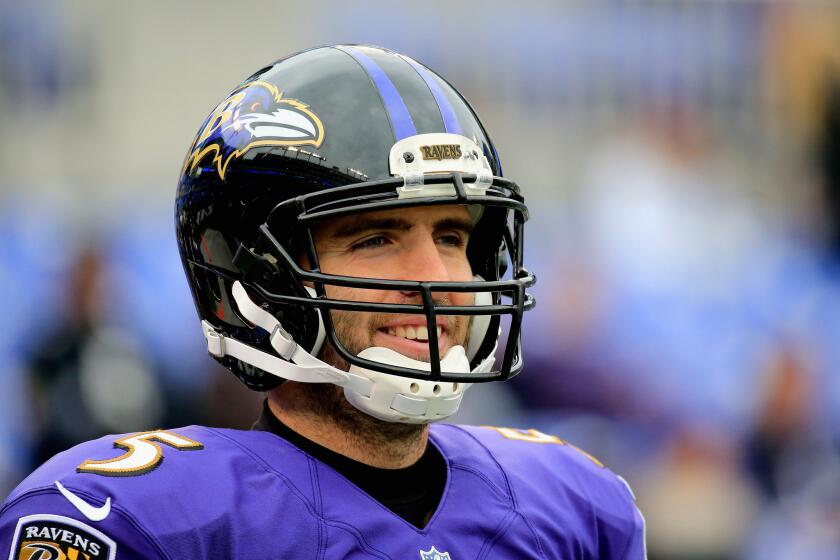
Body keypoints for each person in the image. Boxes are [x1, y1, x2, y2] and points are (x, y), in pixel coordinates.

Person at [1, 45, 646, 559]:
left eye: (451, 236)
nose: (435, 277)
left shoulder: (573, 507)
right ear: (252, 275)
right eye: (375, 237)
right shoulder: (133, 522)